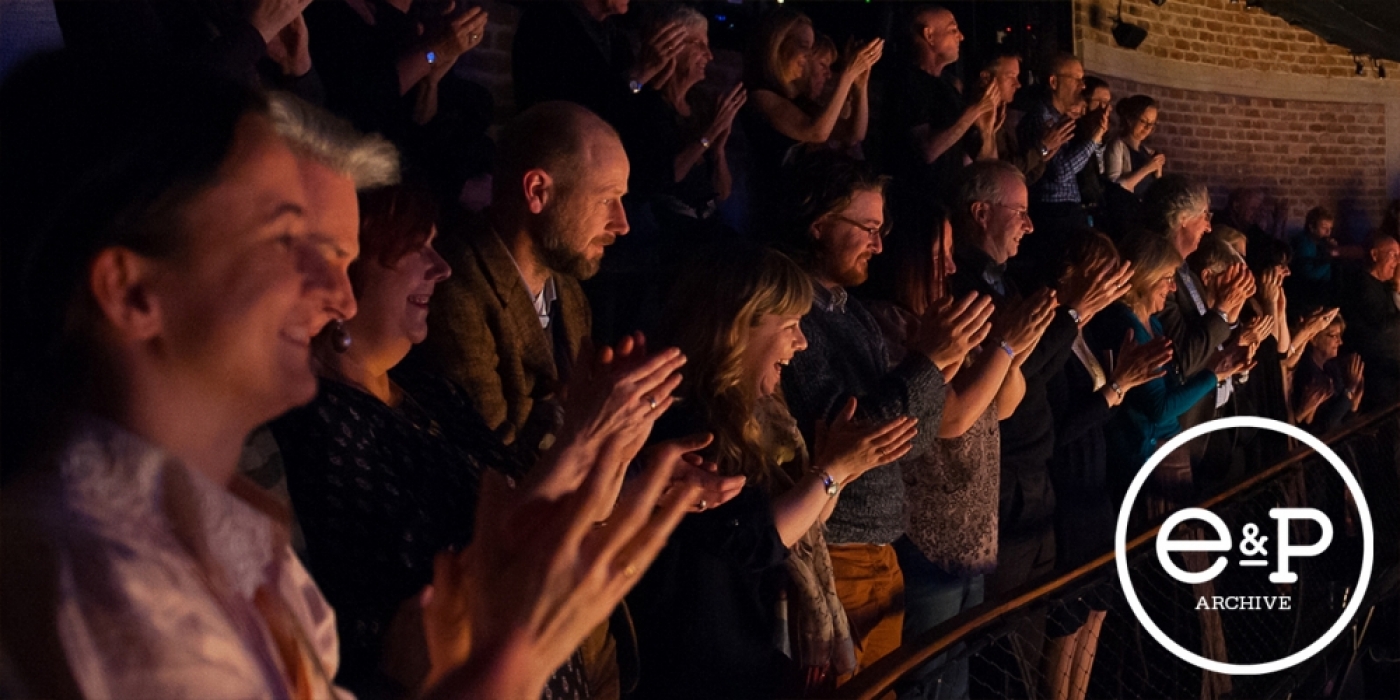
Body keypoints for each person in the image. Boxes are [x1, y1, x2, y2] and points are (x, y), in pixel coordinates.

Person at [0, 51, 695, 700]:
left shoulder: (219, 526)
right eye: (284, 241)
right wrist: (507, 662)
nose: (337, 295)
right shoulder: (98, 586)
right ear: (130, 292)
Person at [628, 246, 918, 699]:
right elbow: (756, 539)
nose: (801, 342)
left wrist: (837, 473)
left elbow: (805, 526)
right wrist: (830, 470)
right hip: (701, 663)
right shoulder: (686, 417)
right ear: (739, 327)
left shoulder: (764, 413)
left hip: (752, 647)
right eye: (790, 326)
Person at [778, 151, 992, 680]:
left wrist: (937, 364)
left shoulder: (849, 311)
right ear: (819, 224)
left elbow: (911, 441)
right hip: (838, 552)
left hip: (883, 548)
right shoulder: (793, 315)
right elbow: (855, 439)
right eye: (867, 227)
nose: (879, 243)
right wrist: (929, 362)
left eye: (882, 228)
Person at [944, 160, 1127, 700]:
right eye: (1019, 213)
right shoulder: (970, 284)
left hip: (1036, 482)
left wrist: (1075, 318)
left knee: (1037, 626)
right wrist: (1071, 317)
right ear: (980, 214)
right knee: (1005, 648)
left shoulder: (1010, 281)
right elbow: (1011, 375)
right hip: (1006, 483)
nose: (1028, 225)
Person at [865, 202, 1057, 700]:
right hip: (928, 535)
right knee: (928, 683)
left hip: (970, 533)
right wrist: (1005, 350)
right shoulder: (889, 324)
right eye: (941, 254)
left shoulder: (942, 316)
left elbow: (1005, 405)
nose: (952, 267)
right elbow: (951, 419)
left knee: (956, 678)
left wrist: (1011, 345)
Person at [417, 102, 627, 453]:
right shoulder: (456, 290)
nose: (622, 223)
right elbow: (493, 455)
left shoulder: (570, 292)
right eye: (607, 199)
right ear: (536, 191)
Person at [1043, 231, 1171, 700]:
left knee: (1098, 608)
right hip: (1069, 492)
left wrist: (1122, 382)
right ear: (1073, 273)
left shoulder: (1087, 332)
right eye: (1102, 273)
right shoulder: (1052, 333)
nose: (1112, 284)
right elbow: (1056, 431)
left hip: (1098, 489)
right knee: (1070, 617)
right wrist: (1116, 389)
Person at [1088, 232, 1253, 511]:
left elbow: (1175, 380)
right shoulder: (1127, 327)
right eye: (1167, 278)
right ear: (1146, 277)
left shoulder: (1153, 323)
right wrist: (1213, 375)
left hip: (1170, 449)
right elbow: (1160, 407)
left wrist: (1222, 367)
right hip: (1148, 457)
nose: (1173, 287)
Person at [609, 5, 743, 339]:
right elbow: (661, 179)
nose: (709, 55)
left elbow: (722, 192)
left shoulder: (698, 106)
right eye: (699, 44)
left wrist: (719, 148)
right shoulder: (645, 106)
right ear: (672, 46)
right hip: (664, 241)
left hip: (704, 230)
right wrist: (707, 136)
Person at [742, 7, 882, 237]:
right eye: (804, 47)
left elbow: (853, 135)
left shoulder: (798, 101)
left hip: (796, 210)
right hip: (772, 212)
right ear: (776, 46)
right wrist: (846, 75)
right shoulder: (762, 96)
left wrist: (860, 85)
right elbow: (816, 133)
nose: (809, 57)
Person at [885, 4, 997, 216]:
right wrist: (973, 111)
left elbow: (979, 160)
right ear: (929, 35)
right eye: (953, 30)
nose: (961, 37)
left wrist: (987, 129)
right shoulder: (907, 83)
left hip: (950, 205)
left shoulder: (948, 85)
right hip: (916, 209)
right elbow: (927, 150)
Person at [512, 0, 684, 130]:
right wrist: (639, 74)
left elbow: (630, 113)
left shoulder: (614, 37)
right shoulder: (547, 22)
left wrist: (655, 82)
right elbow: (570, 109)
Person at [1015, 53, 1111, 269]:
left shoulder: (1061, 118)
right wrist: (1094, 137)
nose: (1082, 86)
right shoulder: (1042, 118)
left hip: (1068, 211)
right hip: (1052, 214)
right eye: (1076, 79)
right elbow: (1061, 172)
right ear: (1053, 81)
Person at [1336, 235, 1400, 410]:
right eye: (1393, 255)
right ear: (1374, 254)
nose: (1397, 262)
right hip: (1376, 374)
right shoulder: (1360, 285)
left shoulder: (1384, 286)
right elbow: (1381, 325)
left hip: (1390, 370)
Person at [1291, 313, 1364, 433]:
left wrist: (1354, 405)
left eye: (1339, 336)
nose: (1340, 342)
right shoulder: (1306, 374)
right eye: (1333, 336)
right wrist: (1349, 390)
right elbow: (1326, 427)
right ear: (1314, 338)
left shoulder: (1332, 367)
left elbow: (1344, 419)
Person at [1289, 206, 1341, 309]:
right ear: (1312, 227)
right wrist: (1329, 258)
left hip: (1323, 290)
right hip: (1307, 293)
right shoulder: (1302, 243)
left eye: (1330, 229)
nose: (1328, 232)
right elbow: (1309, 274)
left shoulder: (1321, 242)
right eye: (1324, 228)